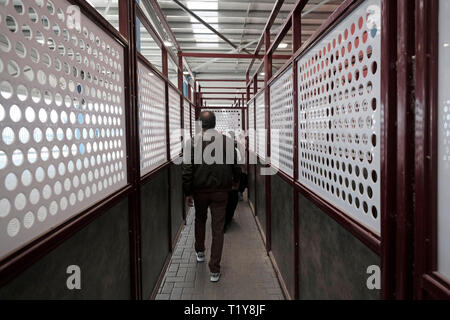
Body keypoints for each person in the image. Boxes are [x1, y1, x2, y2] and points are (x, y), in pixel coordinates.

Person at [182, 111, 241, 282]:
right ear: (214, 124)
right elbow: (235, 165)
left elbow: (187, 170)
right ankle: (214, 269)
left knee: (200, 220)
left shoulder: (191, 143)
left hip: (200, 192)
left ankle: (200, 251)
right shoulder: (227, 142)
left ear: (201, 124)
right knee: (217, 228)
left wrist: (188, 192)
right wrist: (236, 182)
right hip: (221, 192)